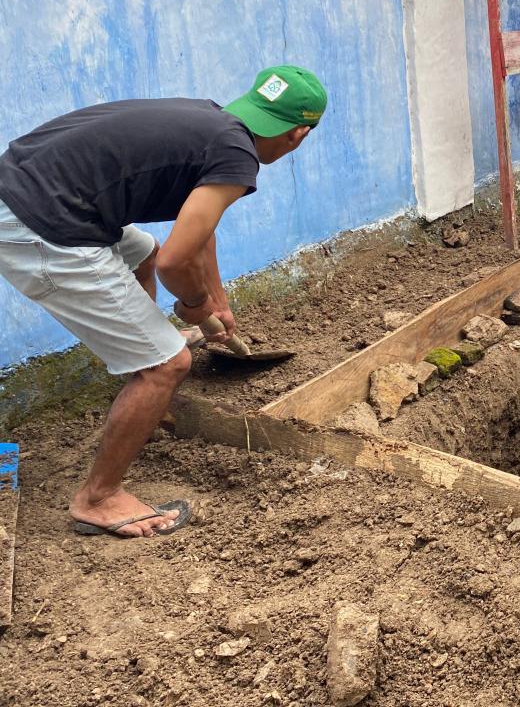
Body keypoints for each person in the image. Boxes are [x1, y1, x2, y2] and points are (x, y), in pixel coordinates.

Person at [0, 66, 327, 539]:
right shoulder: (239, 157)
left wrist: (218, 299)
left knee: (144, 255)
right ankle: (98, 498)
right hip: (40, 225)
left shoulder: (211, 122)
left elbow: (196, 230)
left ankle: (144, 361)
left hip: (30, 191)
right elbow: (179, 264)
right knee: (169, 364)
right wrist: (195, 304)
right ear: (299, 134)